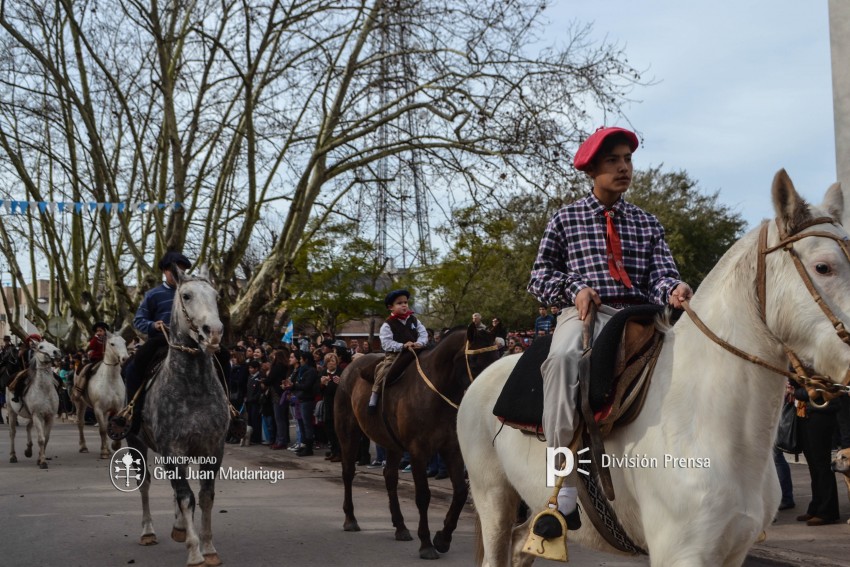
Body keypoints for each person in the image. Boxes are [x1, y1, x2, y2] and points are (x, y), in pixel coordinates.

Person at [527, 126, 692, 539]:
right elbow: (539, 276)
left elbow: (661, 276)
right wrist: (575, 289)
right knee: (563, 361)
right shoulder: (565, 218)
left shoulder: (647, 222)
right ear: (592, 170)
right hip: (589, 314)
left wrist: (674, 289)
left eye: (628, 160)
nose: (623, 168)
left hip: (641, 315)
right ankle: (561, 489)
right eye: (613, 161)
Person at [123, 251, 192, 433]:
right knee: (132, 368)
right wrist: (153, 324)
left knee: (222, 355)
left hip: (191, 341)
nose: (178, 274)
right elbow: (138, 320)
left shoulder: (193, 292)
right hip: (162, 341)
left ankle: (229, 410)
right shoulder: (153, 294)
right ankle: (133, 414)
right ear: (164, 272)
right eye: (173, 271)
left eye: (182, 270)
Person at [367, 289, 427, 415]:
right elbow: (386, 343)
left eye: (405, 302)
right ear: (391, 307)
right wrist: (402, 346)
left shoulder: (415, 320)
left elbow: (423, 334)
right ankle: (374, 394)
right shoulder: (387, 325)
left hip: (416, 352)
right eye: (399, 303)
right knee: (384, 369)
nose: (404, 305)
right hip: (395, 355)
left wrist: (419, 343)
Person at [72, 321, 109, 401]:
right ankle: (79, 390)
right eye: (97, 331)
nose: (99, 332)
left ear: (105, 331)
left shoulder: (109, 340)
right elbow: (91, 346)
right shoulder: (95, 339)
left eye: (100, 331)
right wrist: (95, 338)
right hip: (96, 360)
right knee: (86, 370)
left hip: (107, 360)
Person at [9, 333, 42, 403]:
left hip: (40, 370)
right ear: (29, 343)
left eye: (35, 341)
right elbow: (20, 363)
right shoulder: (25, 352)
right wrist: (19, 357)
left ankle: (60, 400)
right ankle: (16, 396)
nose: (32, 343)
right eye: (31, 341)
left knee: (56, 378)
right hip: (28, 370)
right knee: (20, 379)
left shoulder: (41, 352)